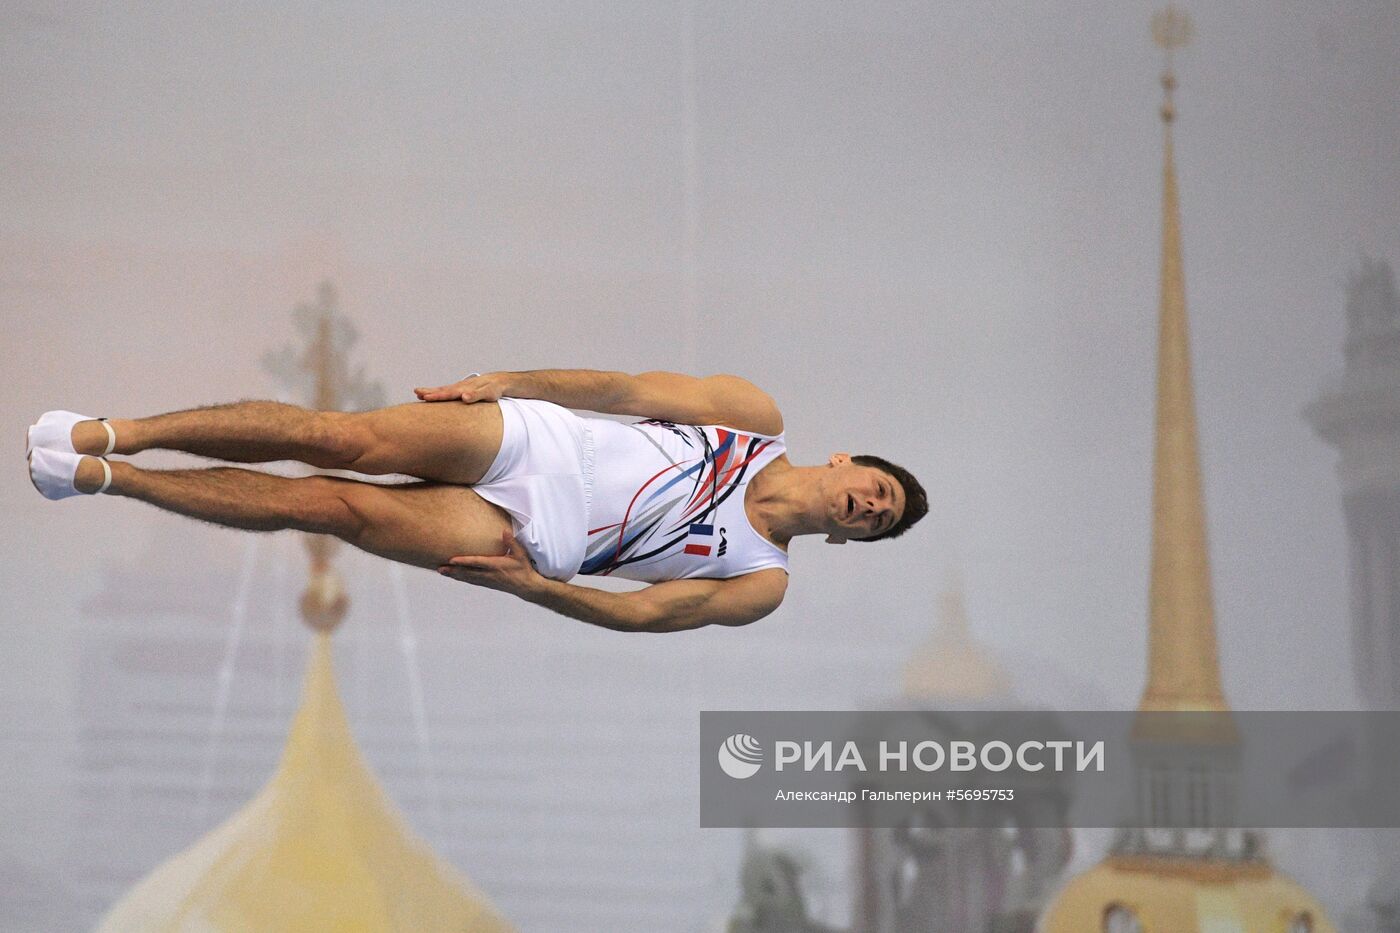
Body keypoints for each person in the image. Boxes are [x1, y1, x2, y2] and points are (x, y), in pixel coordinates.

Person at [27, 369, 927, 632]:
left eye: (875, 520)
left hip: (534, 534)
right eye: (875, 488)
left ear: (853, 540)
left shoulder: (763, 578)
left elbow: (651, 611)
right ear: (847, 460)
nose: (866, 505)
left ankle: (116, 478)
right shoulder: (755, 417)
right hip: (544, 438)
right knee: (337, 438)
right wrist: (512, 378)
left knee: (331, 508)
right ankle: (123, 430)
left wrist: (540, 589)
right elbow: (619, 391)